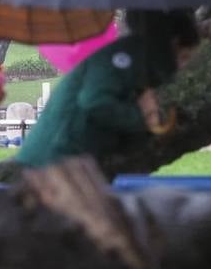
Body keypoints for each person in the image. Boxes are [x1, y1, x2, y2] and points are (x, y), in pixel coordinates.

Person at [14, 10, 200, 169]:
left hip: (74, 155)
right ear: (173, 44)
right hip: (57, 155)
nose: (184, 67)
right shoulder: (123, 58)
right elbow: (95, 102)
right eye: (184, 57)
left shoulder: (142, 62)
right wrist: (140, 119)